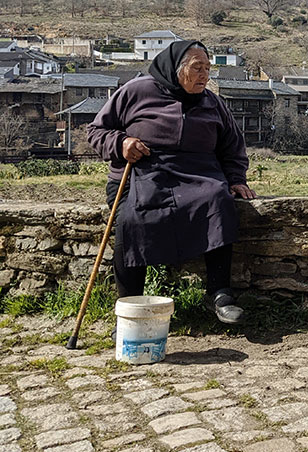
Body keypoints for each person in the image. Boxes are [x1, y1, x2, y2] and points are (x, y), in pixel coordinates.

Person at [87, 40, 256, 325]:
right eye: (196, 68)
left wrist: (236, 179)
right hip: (142, 172)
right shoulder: (136, 91)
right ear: (175, 68)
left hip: (198, 174)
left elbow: (232, 147)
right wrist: (121, 142)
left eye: (207, 68)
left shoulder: (212, 103)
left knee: (219, 199)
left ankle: (220, 294)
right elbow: (96, 131)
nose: (204, 75)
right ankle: (130, 310)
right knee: (130, 219)